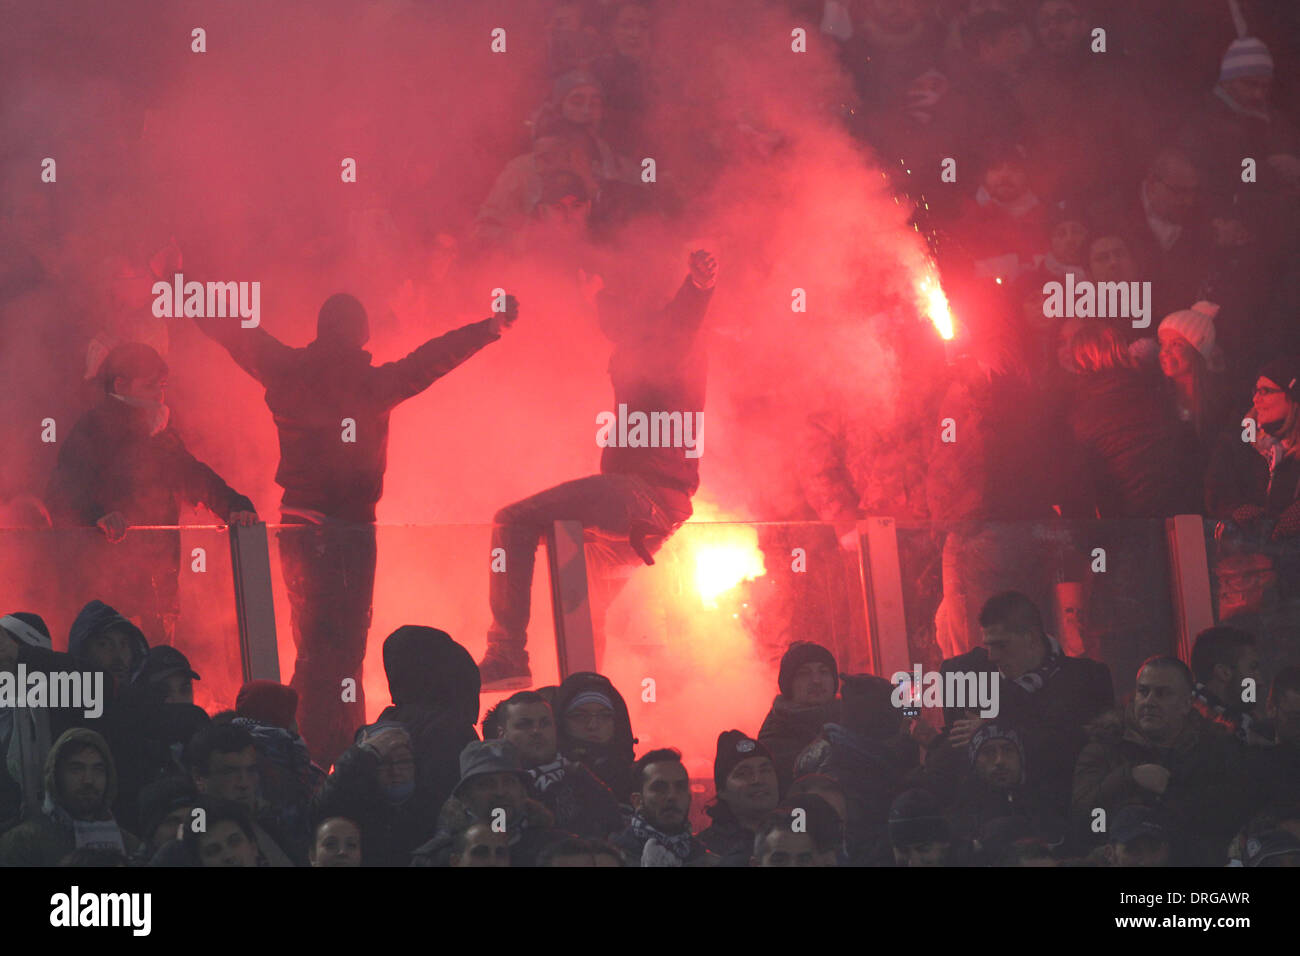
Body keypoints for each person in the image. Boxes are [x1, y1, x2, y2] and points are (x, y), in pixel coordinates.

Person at [193, 279, 518, 767]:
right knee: (342, 652)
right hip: (347, 531)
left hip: (297, 524)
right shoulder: (372, 384)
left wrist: (178, 284)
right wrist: (488, 328)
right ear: (362, 335)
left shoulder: (283, 367)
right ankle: (326, 753)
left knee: (312, 646)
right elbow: (430, 361)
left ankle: (302, 746)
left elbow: (235, 331)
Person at [479, 250, 716, 688]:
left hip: (640, 495)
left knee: (512, 521)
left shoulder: (666, 336)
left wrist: (698, 287)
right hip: (656, 507)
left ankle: (506, 652)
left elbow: (680, 319)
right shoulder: (651, 341)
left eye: (612, 302)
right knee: (585, 604)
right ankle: (587, 701)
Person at [44, 344, 258, 645]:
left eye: (162, 386)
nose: (159, 395)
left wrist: (235, 505)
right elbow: (62, 490)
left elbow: (193, 475)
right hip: (107, 592)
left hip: (160, 589)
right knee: (114, 678)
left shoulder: (158, 434)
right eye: (149, 385)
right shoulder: (92, 430)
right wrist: (97, 517)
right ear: (120, 384)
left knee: (157, 676)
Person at [941, 591, 1113, 813]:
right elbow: (955, 756)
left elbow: (1087, 748)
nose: (992, 656)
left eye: (1002, 645)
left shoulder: (1087, 679)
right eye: (988, 645)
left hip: (1062, 810)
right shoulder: (965, 674)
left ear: (1030, 638)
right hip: (991, 818)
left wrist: (996, 728)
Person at [1071, 656, 1251, 865]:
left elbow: (1227, 820)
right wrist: (1128, 778)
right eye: (1143, 691)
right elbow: (1083, 822)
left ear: (1186, 704)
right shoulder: (1105, 747)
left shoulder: (1217, 752)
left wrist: (1171, 791)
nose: (1149, 701)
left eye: (1163, 693)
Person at [1064, 322, 1201, 517]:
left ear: (1080, 358)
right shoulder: (1154, 389)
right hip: (1179, 509)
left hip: (1127, 519)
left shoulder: (1081, 410)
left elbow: (1078, 484)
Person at [491, 691, 624, 840]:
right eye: (524, 725)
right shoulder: (493, 787)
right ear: (502, 734)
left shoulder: (583, 779)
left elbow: (616, 831)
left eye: (544, 723)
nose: (536, 731)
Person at [0, 728, 142, 866]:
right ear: (56, 776)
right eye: (76, 769)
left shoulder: (129, 845)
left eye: (98, 770)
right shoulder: (24, 843)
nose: (88, 780)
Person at [411, 740, 559, 867]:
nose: (500, 792)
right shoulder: (434, 860)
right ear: (464, 797)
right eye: (486, 784)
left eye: (509, 781)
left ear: (522, 791)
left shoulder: (556, 849)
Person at [758, 642, 842, 792]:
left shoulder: (852, 723)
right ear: (788, 684)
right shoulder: (774, 736)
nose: (816, 680)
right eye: (804, 673)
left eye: (823, 672)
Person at [610, 748, 715, 866]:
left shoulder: (708, 861)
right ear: (638, 801)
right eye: (659, 788)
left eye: (680, 787)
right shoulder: (609, 859)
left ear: (689, 797)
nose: (672, 796)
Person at [698, 730, 780, 866]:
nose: (757, 779)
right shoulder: (702, 852)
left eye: (765, 770)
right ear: (722, 791)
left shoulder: (799, 839)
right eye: (743, 774)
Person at [552, 671, 637, 801]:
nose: (593, 725)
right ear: (560, 722)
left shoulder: (640, 780)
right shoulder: (545, 781)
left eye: (605, 716)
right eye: (580, 716)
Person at [1189, 625, 1263, 743]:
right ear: (1224, 672)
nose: (1260, 681)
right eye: (1252, 668)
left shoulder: (1244, 726)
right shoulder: (1196, 734)